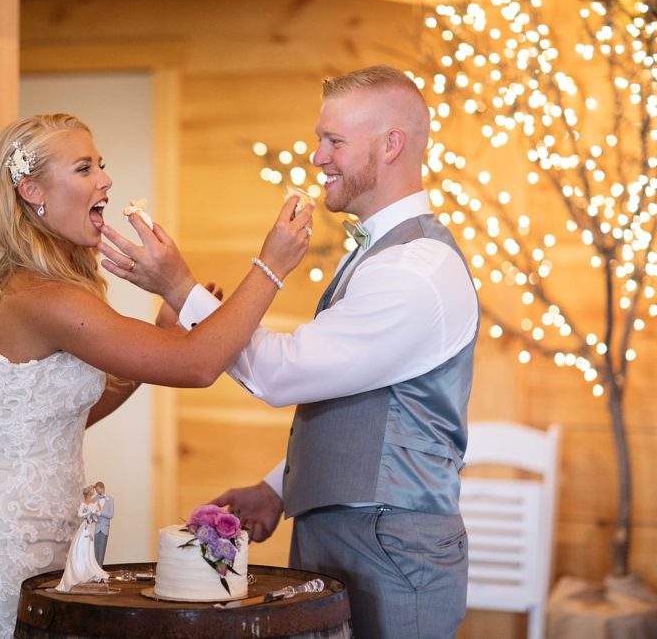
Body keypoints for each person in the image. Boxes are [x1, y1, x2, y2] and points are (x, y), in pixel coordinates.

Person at [0, 113, 314, 639]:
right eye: (84, 167)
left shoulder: (35, 287)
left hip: (53, 539)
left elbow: (66, 415)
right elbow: (198, 364)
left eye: (102, 165)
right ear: (32, 191)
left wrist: (158, 338)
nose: (106, 180)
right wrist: (270, 267)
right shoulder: (43, 298)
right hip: (4, 546)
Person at [100, 66, 480, 638]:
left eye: (334, 141)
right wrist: (279, 488)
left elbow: (281, 375)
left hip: (392, 544)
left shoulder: (416, 269)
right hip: (354, 531)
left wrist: (181, 289)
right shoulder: (386, 255)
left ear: (392, 144)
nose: (317, 156)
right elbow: (363, 404)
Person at [55, 486, 109, 591]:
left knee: (89, 549)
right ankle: (80, 571)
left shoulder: (95, 501)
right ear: (89, 492)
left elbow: (98, 513)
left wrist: (95, 513)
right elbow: (80, 514)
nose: (94, 491)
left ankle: (89, 569)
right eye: (92, 490)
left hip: (91, 526)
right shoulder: (84, 503)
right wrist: (89, 513)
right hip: (85, 527)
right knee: (82, 546)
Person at [92, 481, 114, 566]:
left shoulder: (110, 499)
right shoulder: (94, 499)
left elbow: (111, 515)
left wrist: (100, 512)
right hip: (96, 527)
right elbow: (93, 513)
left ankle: (100, 569)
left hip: (104, 528)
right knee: (94, 550)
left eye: (98, 490)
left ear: (102, 488)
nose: (97, 492)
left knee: (101, 550)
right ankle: (95, 569)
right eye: (96, 490)